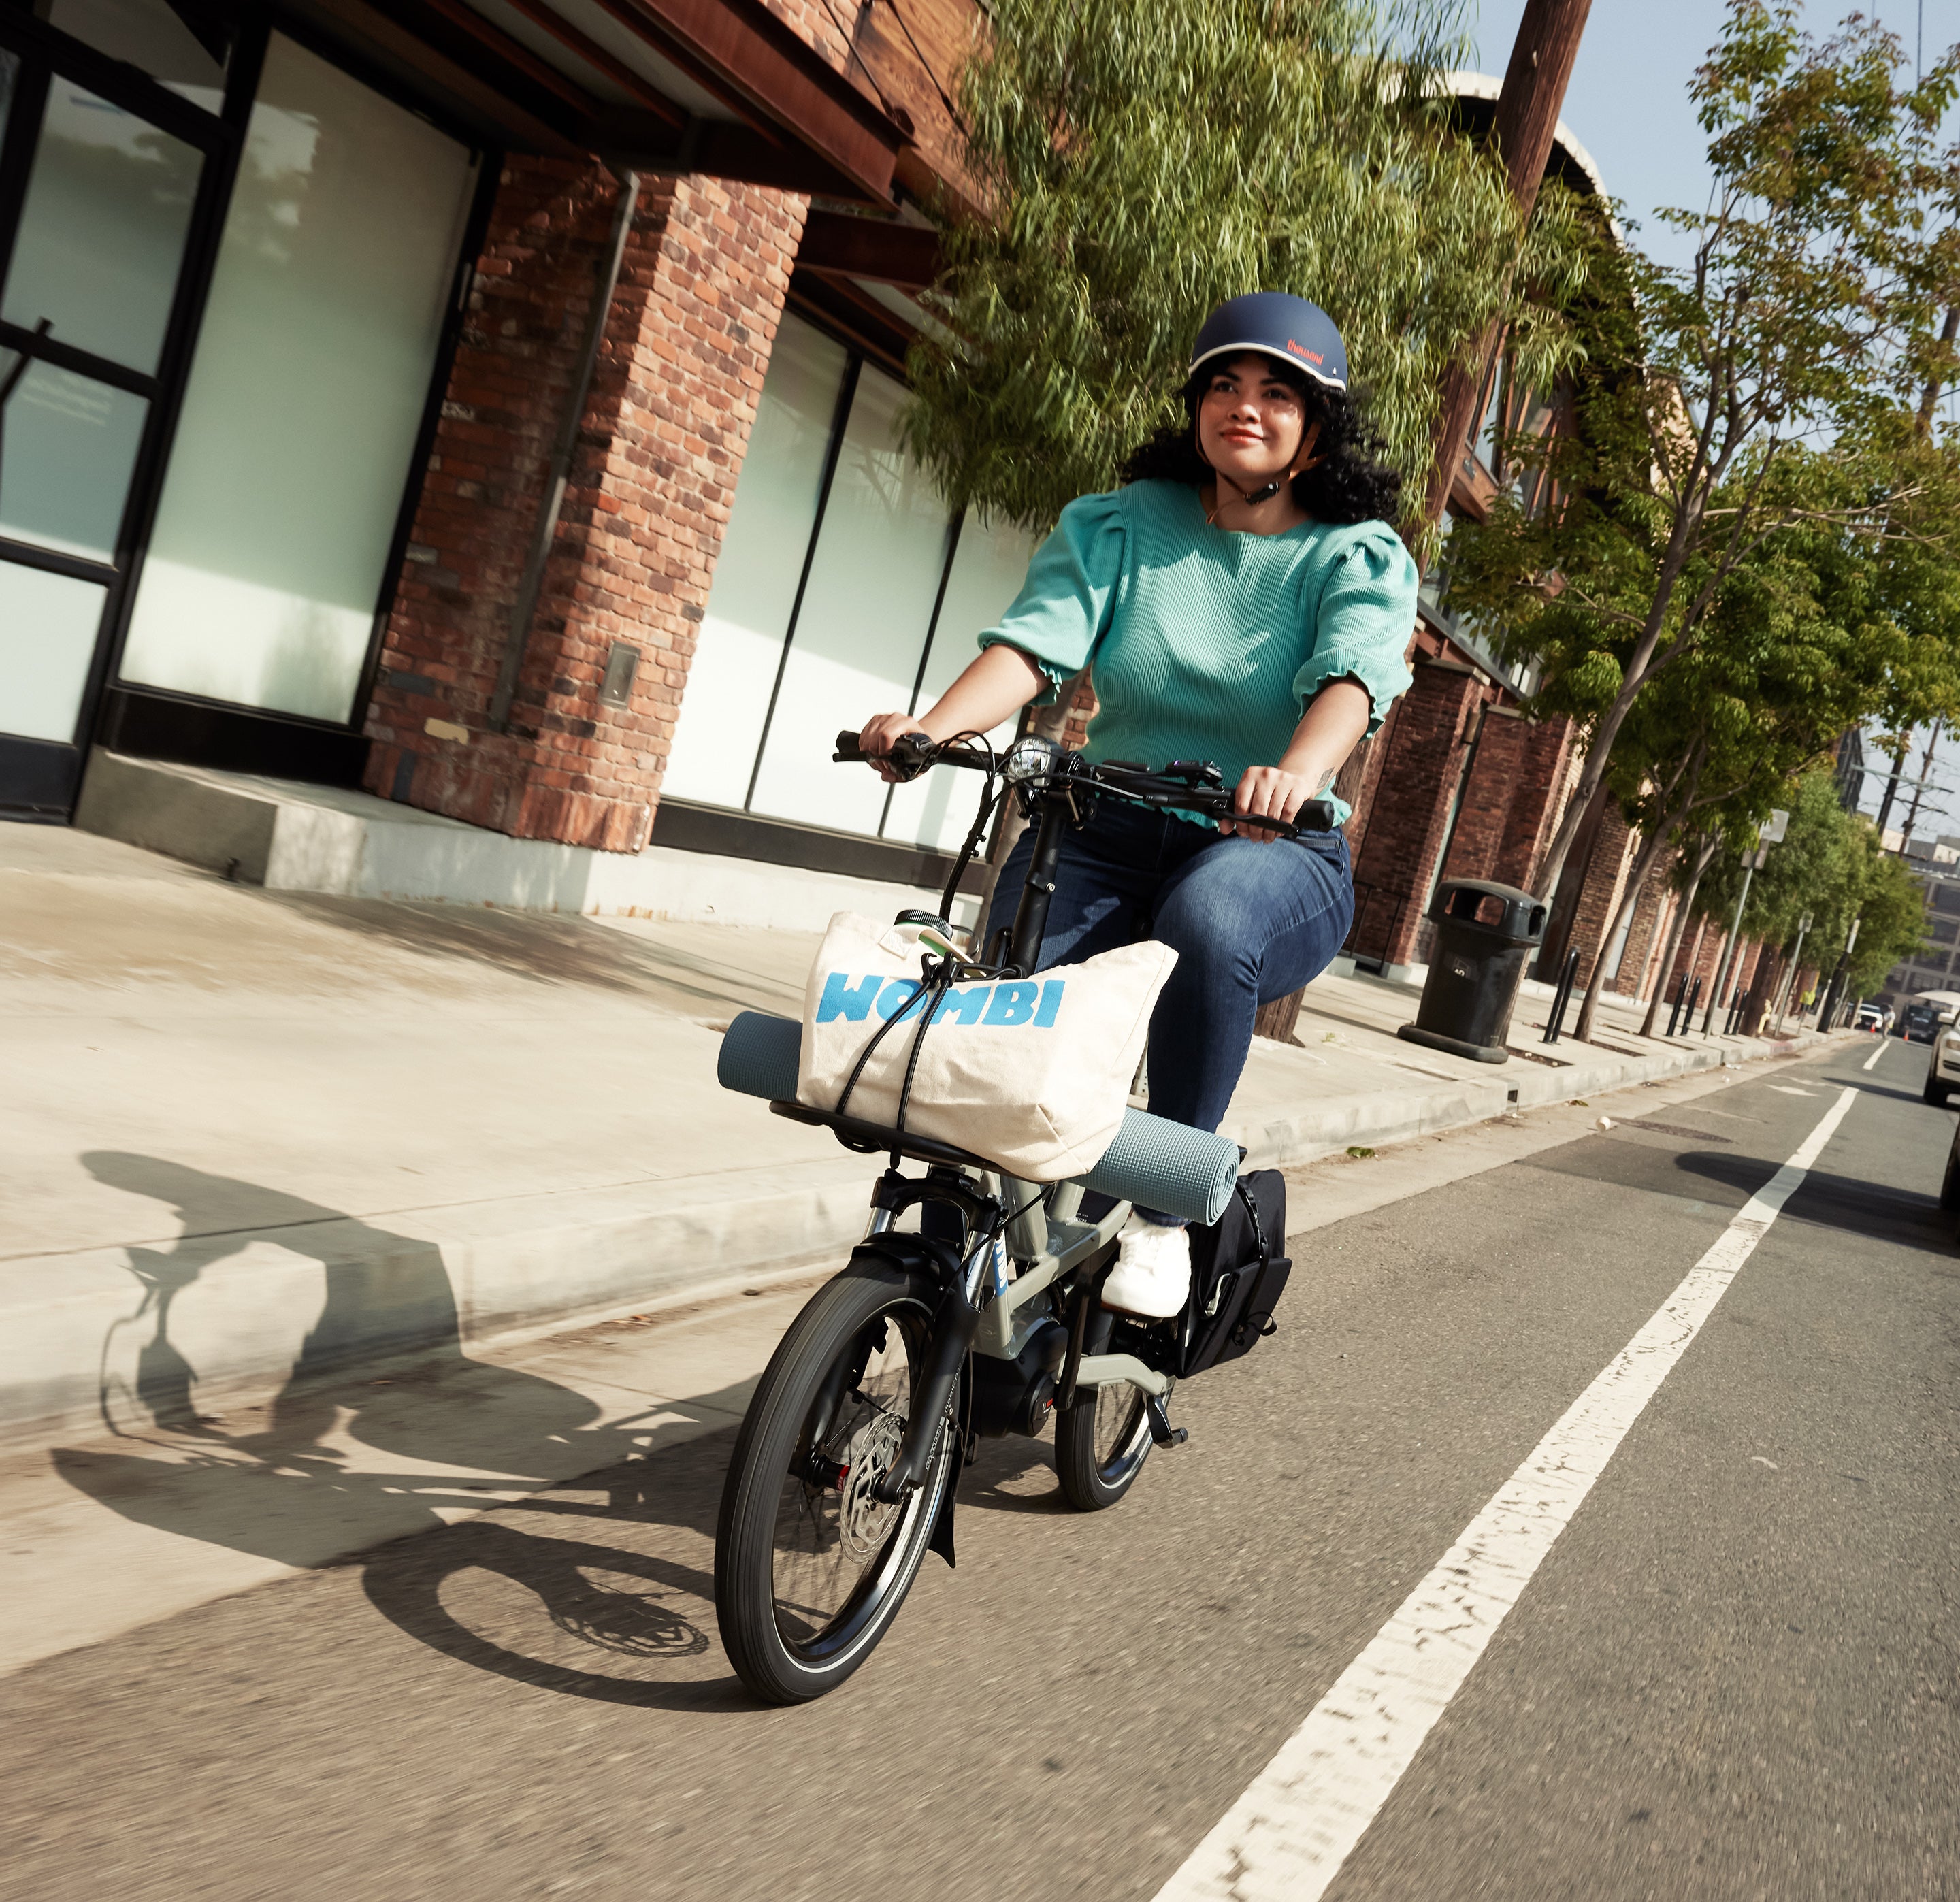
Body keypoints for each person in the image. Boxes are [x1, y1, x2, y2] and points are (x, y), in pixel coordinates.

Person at [858, 292, 1419, 1317]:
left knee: (1208, 918)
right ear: (1196, 404)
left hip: (1270, 850)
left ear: (1317, 426)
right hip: (1106, 826)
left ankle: (1163, 1215)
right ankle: (952, 1260)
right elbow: (1033, 649)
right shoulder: (1121, 525)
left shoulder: (1355, 554)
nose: (1243, 406)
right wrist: (937, 728)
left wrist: (1295, 774)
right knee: (1006, 1010)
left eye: (1276, 393)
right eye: (1224, 384)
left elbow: (1352, 682)